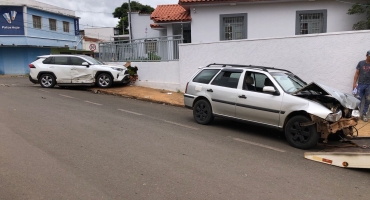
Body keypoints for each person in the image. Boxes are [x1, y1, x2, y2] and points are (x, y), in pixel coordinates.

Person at [353, 50, 370, 122]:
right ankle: (357, 115)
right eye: (369, 56)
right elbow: (357, 73)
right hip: (360, 84)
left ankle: (364, 114)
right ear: (366, 55)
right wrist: (354, 83)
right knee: (357, 100)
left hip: (369, 85)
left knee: (368, 100)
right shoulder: (361, 63)